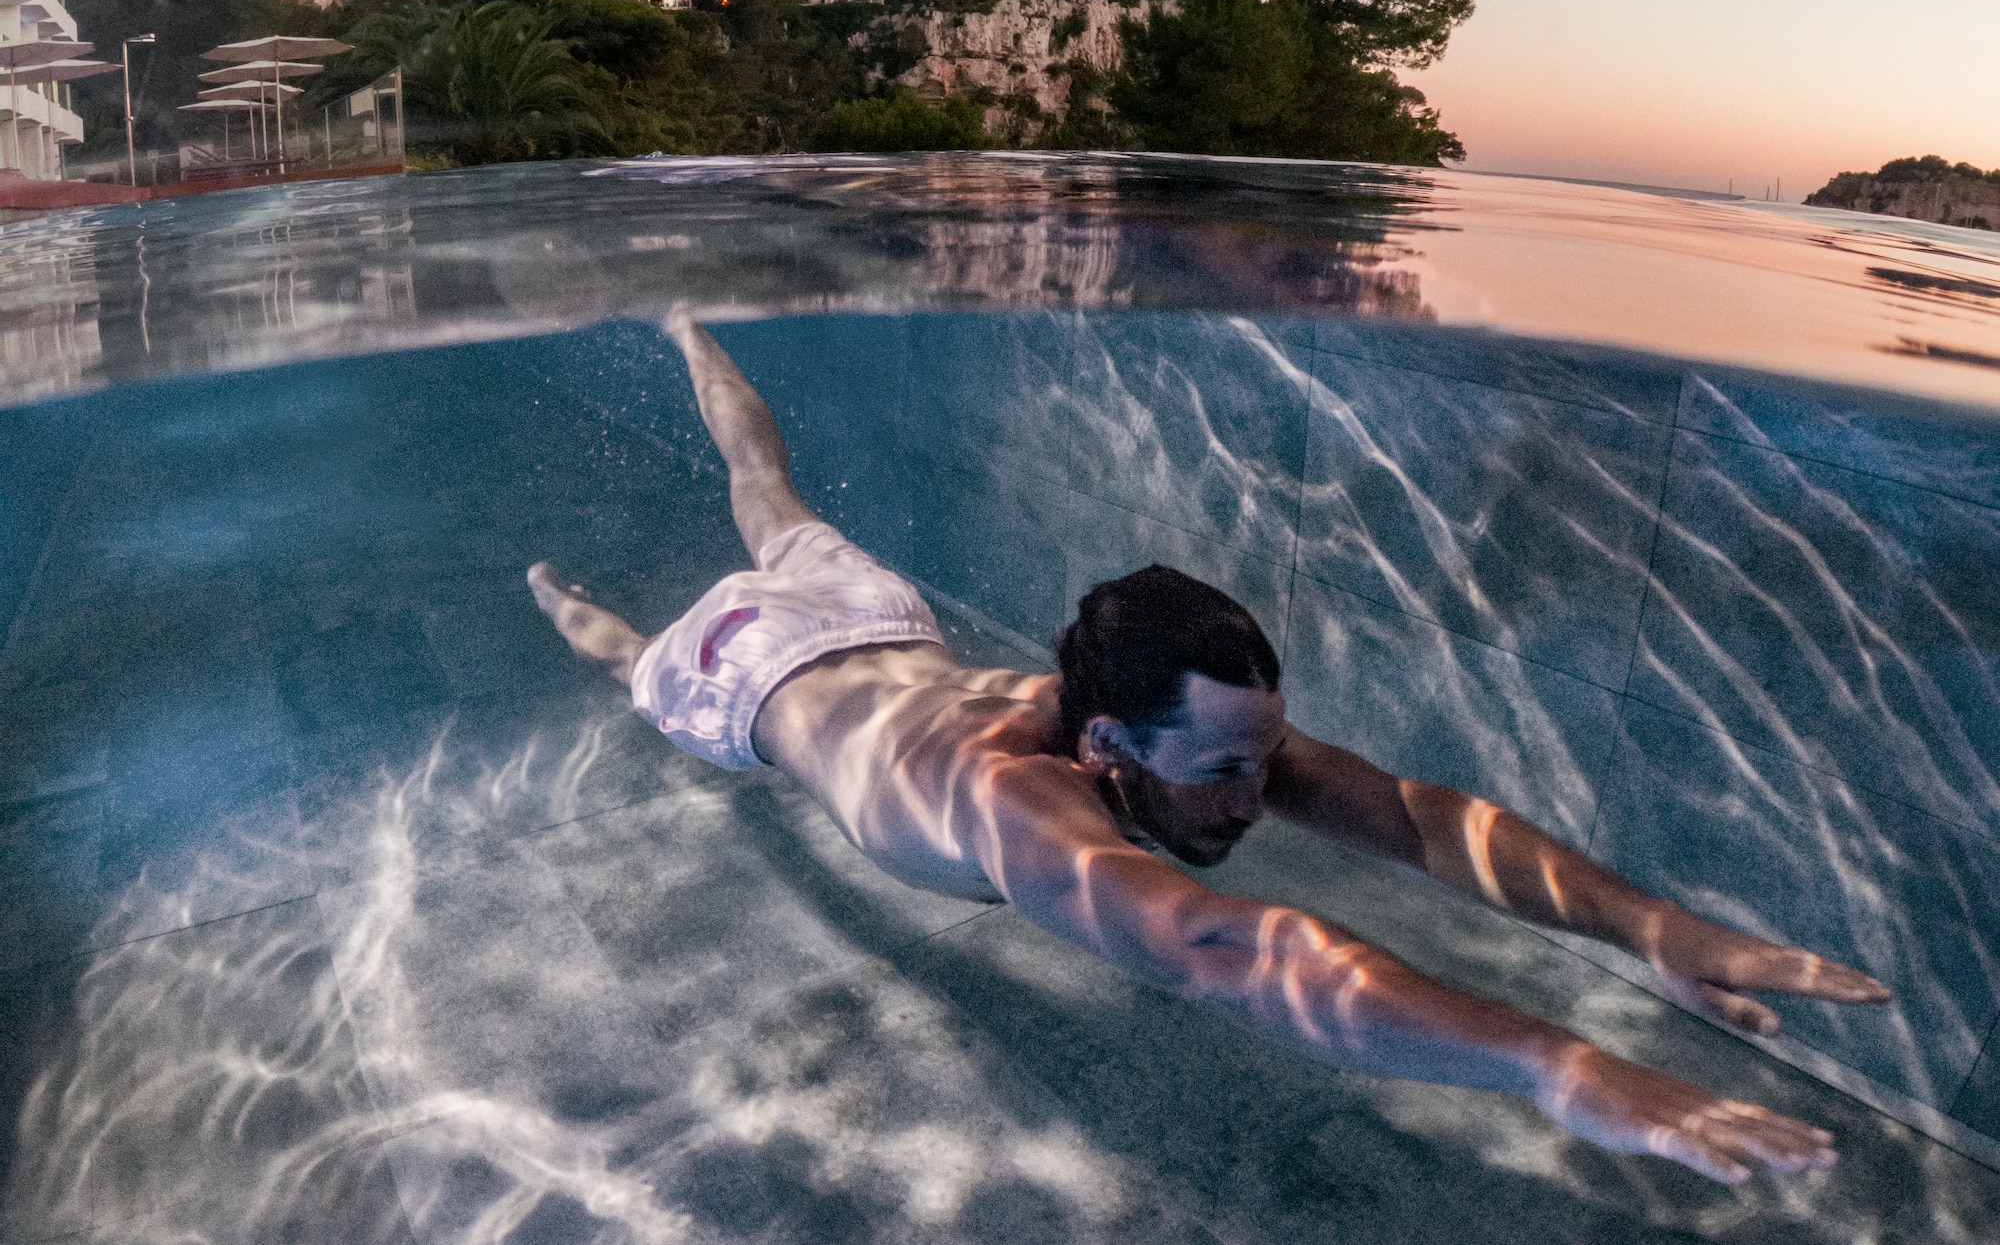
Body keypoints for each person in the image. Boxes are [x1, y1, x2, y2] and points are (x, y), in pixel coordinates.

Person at [527, 311, 1891, 1186]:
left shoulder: (1165, 726)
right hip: (747, 686)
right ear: (1108, 736)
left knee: (771, 495)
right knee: (625, 645)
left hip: (880, 626)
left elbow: (1419, 817)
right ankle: (578, 605)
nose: (1258, 792)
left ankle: (685, 324)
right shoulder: (1018, 808)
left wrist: (1654, 926)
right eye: (1227, 767)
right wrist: (1560, 1062)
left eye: (1264, 755)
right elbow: (1227, 948)